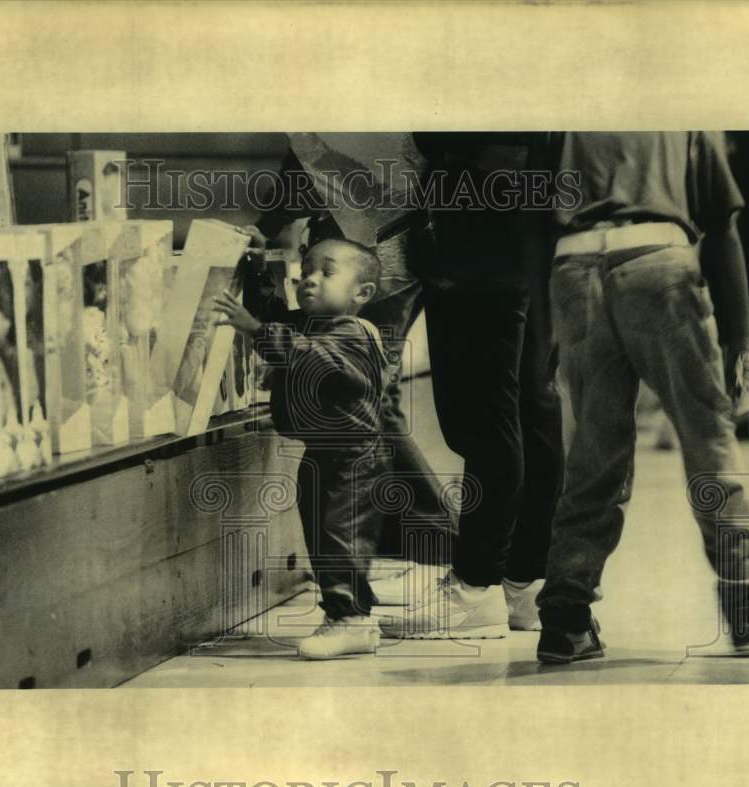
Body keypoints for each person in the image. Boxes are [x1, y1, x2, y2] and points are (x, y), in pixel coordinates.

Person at [535, 131, 749, 663]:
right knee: (708, 439)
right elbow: (724, 231)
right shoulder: (684, 119)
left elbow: (533, 224)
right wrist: (740, 339)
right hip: (659, 263)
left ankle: (564, 619)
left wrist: (550, 326)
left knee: (594, 455)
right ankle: (748, 608)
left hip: (573, 271)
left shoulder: (566, 123)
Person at [379, 133, 565, 638]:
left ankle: (475, 589)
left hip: (479, 234)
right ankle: (523, 584)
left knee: (488, 422)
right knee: (531, 410)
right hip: (529, 226)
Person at [250, 137, 455, 568]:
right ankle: (437, 544)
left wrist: (269, 225)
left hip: (369, 248)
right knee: (377, 401)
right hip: (393, 244)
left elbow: (319, 152)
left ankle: (449, 543)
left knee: (372, 402)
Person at [214, 238, 388, 660]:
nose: (309, 279)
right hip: (328, 452)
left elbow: (318, 361)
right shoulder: (318, 325)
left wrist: (256, 332)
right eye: (305, 271)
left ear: (361, 294)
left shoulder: (353, 333)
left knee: (339, 538)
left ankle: (351, 621)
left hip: (355, 456)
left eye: (326, 273)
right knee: (325, 537)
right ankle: (348, 615)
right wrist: (256, 267)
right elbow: (274, 316)